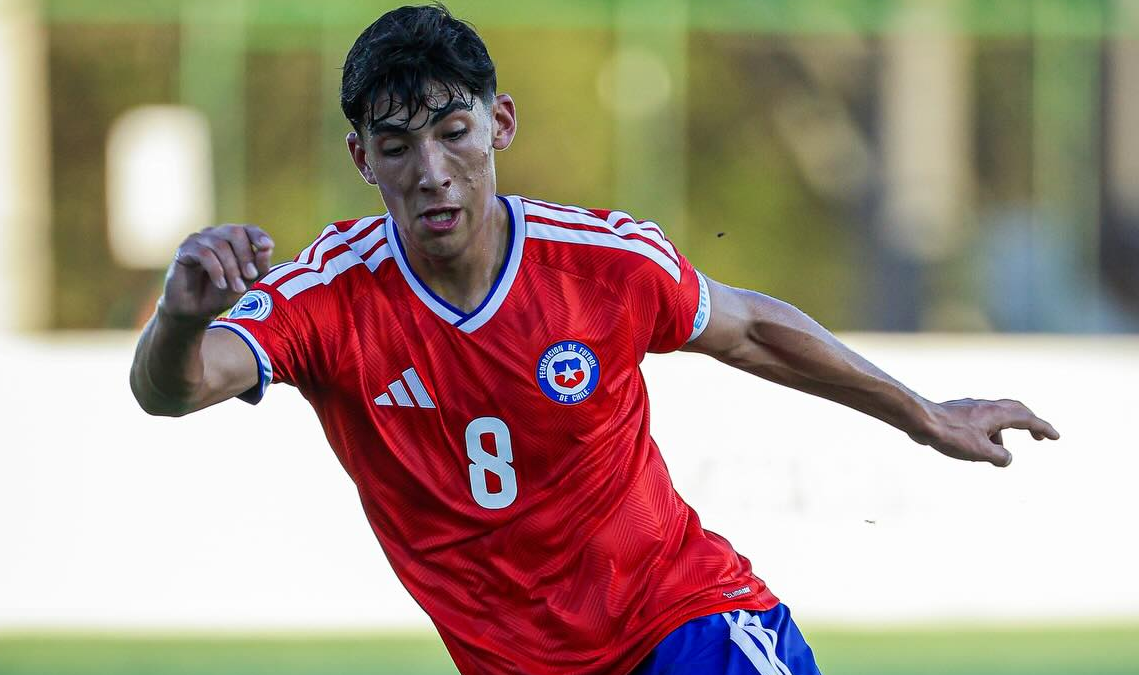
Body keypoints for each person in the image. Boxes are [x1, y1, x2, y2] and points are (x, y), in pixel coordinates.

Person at [130, 5, 1060, 674]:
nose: (434, 172)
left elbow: (751, 330)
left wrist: (921, 414)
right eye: (399, 146)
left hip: (683, 624)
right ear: (361, 157)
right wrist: (180, 310)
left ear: (499, 123)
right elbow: (172, 389)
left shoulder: (600, 262)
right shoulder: (329, 294)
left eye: (455, 133)